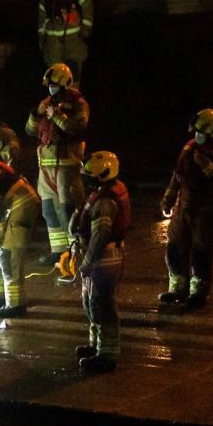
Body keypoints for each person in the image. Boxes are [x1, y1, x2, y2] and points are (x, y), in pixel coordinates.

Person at [70, 151, 131, 373]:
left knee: (102, 305)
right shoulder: (103, 193)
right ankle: (96, 345)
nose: (85, 178)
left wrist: (86, 261)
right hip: (103, 256)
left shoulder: (105, 202)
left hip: (104, 259)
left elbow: (100, 235)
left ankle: (107, 355)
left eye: (89, 175)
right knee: (91, 302)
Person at [25, 63, 90, 266]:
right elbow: (30, 130)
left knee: (68, 210)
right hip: (45, 166)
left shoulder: (78, 103)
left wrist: (58, 116)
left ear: (64, 84)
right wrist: (37, 113)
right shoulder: (46, 103)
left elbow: (78, 128)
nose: (50, 88)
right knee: (49, 210)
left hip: (66, 165)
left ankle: (77, 252)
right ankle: (58, 252)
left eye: (53, 84)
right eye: (49, 85)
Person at [159, 109, 213, 310]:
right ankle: (177, 288)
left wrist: (206, 165)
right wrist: (169, 198)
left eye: (201, 132)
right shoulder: (189, 148)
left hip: (207, 208)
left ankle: (198, 292)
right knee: (175, 247)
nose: (196, 136)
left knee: (202, 251)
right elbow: (177, 175)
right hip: (183, 204)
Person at [0, 155, 40, 318]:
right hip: (19, 202)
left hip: (22, 204)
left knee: (8, 256)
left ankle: (16, 306)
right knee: (4, 255)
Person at [38, 0, 94, 87]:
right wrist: (42, 40)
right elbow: (42, 19)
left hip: (73, 45)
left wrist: (86, 29)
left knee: (73, 84)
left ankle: (73, 107)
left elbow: (87, 5)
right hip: (53, 49)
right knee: (55, 85)